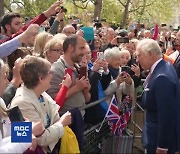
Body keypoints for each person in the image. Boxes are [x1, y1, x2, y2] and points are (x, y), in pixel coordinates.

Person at [10, 56, 72, 153]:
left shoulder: (42, 93)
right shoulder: (22, 102)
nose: (52, 74)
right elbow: (41, 139)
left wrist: (53, 129)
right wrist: (61, 124)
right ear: (41, 79)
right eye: (50, 72)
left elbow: (55, 117)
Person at [136, 39, 180, 154]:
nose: (137, 59)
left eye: (139, 55)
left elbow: (166, 116)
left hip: (157, 141)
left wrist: (162, 147)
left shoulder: (162, 77)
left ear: (150, 53)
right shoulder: (163, 67)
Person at [0, 59, 43, 153]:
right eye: (4, 78)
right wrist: (27, 134)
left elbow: (6, 136)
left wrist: (23, 129)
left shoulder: (0, 102)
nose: (7, 82)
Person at [47, 34, 91, 117]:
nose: (84, 52)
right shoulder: (57, 69)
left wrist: (85, 91)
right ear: (71, 48)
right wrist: (76, 88)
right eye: (81, 48)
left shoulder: (78, 67)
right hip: (65, 122)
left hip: (79, 118)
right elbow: (52, 100)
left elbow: (87, 99)